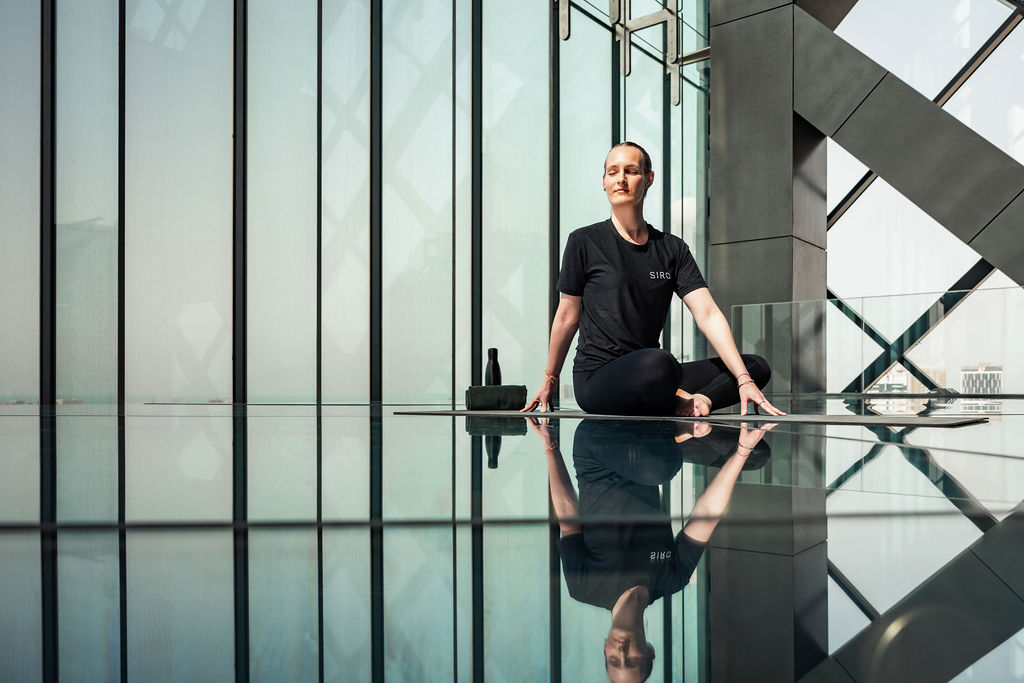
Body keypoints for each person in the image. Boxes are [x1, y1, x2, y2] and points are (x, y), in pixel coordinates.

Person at [522, 141, 785, 417]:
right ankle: (680, 399)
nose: (620, 179)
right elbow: (567, 316)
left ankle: (696, 402)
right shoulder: (583, 241)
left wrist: (743, 380)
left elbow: (707, 314)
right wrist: (550, 378)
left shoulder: (672, 248)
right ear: (603, 182)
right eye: (612, 172)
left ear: (649, 179)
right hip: (598, 377)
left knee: (755, 367)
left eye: (631, 171)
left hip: (653, 372)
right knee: (661, 364)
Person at [527, 416, 775, 682]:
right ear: (649, 652)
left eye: (613, 659)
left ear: (605, 648)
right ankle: (673, 421)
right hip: (647, 457)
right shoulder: (672, 579)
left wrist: (550, 446)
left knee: (661, 468)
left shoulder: (584, 588)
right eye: (632, 660)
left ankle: (675, 427)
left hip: (598, 449)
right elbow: (706, 514)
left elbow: (568, 518)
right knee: (756, 455)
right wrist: (742, 450)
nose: (622, 651)